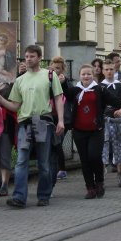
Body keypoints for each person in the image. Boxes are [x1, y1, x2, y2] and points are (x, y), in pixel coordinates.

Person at [0, 45, 65, 208]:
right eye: (26, 56)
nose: (28, 59)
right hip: (25, 123)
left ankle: (44, 195)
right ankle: (19, 196)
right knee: (21, 161)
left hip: (43, 122)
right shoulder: (20, 80)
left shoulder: (49, 75)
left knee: (43, 162)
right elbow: (14, 106)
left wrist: (60, 120)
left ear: (39, 58)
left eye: (32, 56)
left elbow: (58, 98)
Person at [65, 64, 121, 198]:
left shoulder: (100, 89)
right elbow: (64, 94)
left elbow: (116, 101)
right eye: (83, 74)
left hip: (96, 130)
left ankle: (99, 182)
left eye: (88, 74)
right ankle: (90, 187)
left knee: (94, 156)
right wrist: (63, 81)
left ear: (93, 75)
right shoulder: (75, 90)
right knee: (84, 160)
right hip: (79, 131)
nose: (86, 76)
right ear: (79, 76)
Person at [49, 56, 72, 184]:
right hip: (50, 116)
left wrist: (63, 84)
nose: (55, 70)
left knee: (58, 143)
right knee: (54, 144)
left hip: (64, 118)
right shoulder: (48, 79)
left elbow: (70, 95)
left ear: (63, 69)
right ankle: (57, 168)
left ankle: (62, 169)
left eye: (58, 68)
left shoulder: (66, 81)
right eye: (53, 68)